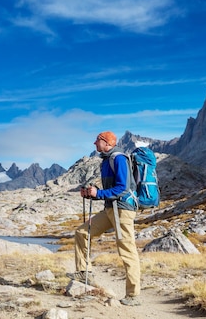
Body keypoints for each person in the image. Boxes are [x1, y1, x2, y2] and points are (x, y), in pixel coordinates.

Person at [72, 131, 141, 306]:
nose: (94, 144)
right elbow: (109, 191)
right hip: (110, 209)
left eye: (98, 141)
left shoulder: (119, 159)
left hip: (123, 210)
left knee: (127, 249)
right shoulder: (105, 160)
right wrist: (92, 194)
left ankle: (133, 295)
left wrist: (99, 193)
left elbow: (122, 188)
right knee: (81, 232)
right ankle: (84, 272)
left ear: (107, 143)